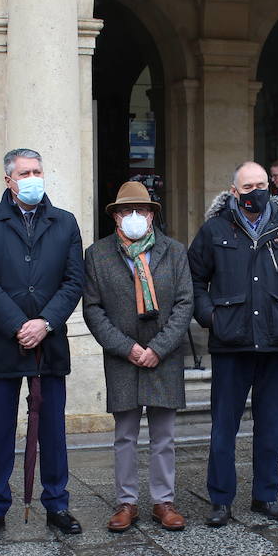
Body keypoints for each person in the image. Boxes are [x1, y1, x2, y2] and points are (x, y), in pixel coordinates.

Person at [0, 147, 85, 539]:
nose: (33, 178)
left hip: (49, 343)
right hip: (2, 342)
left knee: (52, 428)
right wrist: (20, 324)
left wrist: (45, 322)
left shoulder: (64, 223)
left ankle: (57, 503)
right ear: (8, 180)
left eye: (37, 171)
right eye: (25, 173)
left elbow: (73, 281)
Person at [189, 161, 278, 526]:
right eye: (247, 187)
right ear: (233, 191)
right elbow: (194, 280)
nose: (256, 192)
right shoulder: (214, 230)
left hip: (277, 341)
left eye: (262, 184)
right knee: (223, 425)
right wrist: (212, 318)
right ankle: (221, 500)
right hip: (232, 342)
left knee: (271, 425)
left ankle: (266, 495)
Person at [82, 181, 194, 532]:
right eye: (126, 210)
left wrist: (158, 348)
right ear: (115, 216)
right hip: (123, 356)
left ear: (151, 215)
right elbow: (93, 309)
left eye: (141, 210)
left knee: (164, 435)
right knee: (125, 435)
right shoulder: (97, 255)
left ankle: (164, 501)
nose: (134, 216)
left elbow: (184, 304)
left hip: (164, 355)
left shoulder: (174, 252)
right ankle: (126, 502)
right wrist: (126, 347)